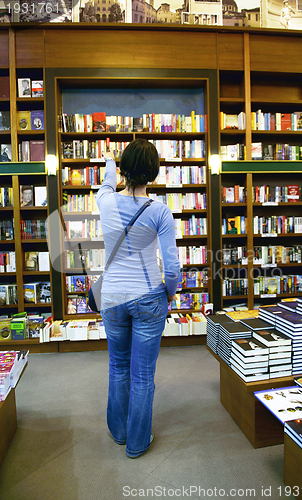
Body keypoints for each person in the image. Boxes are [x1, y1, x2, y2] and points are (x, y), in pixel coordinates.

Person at [96, 139, 180, 458]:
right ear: (154, 173)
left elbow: (106, 182)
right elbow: (172, 268)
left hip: (113, 296)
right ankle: (137, 442)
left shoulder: (105, 201)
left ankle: (118, 432)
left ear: (124, 171)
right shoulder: (160, 212)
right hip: (148, 298)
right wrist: (167, 297)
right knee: (142, 374)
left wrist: (108, 162)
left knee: (117, 365)